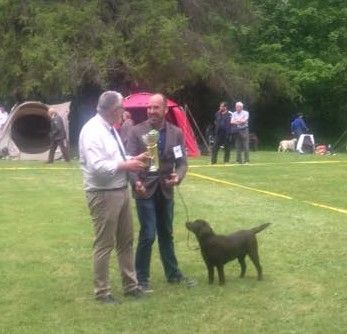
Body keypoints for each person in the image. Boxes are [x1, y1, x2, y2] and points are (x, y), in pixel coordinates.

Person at [79, 91, 149, 304]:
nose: (124, 112)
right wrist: (126, 165)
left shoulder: (110, 129)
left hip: (120, 190)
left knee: (126, 241)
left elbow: (115, 158)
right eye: (122, 108)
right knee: (104, 243)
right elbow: (97, 167)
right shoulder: (92, 130)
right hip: (103, 194)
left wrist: (134, 158)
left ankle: (131, 286)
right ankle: (102, 292)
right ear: (114, 110)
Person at [127, 93, 195, 292]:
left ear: (165, 110)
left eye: (156, 107)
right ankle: (141, 278)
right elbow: (130, 160)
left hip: (166, 189)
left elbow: (182, 163)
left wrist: (178, 177)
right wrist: (135, 182)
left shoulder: (176, 133)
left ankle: (173, 274)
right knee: (148, 234)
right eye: (149, 107)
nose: (151, 111)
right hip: (144, 189)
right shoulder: (136, 131)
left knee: (167, 233)